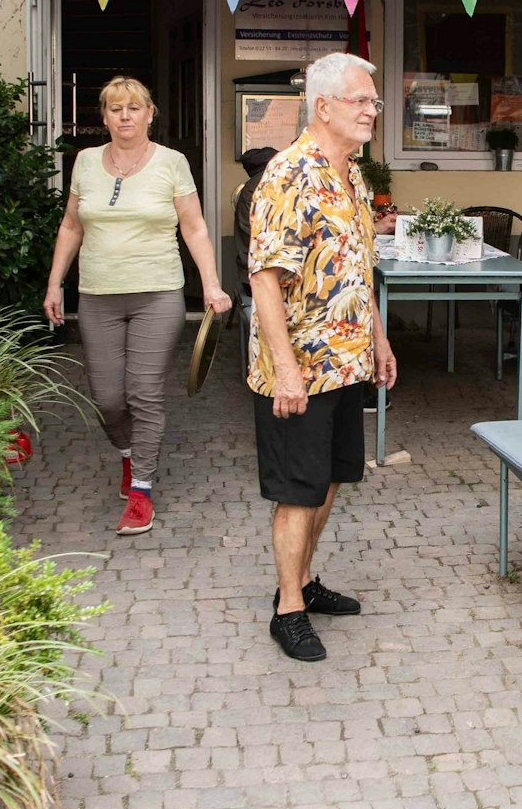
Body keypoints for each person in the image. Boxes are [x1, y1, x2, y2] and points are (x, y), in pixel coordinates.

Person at [248, 52, 398, 662]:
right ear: (324, 107)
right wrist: (286, 369)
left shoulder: (352, 174)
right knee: (298, 489)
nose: (371, 111)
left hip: (347, 361)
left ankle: (304, 583)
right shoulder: (290, 175)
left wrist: (379, 340)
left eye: (373, 101)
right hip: (301, 369)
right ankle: (287, 610)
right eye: (361, 100)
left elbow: (359, 271)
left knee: (332, 479)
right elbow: (264, 280)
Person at [43, 76, 231, 536]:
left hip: (157, 293)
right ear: (103, 117)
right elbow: (71, 226)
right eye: (115, 108)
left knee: (143, 392)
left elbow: (195, 228)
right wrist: (54, 285)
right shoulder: (85, 163)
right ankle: (129, 456)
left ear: (150, 114)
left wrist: (211, 284)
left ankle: (142, 491)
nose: (125, 116)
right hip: (97, 295)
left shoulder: (172, 163)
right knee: (107, 398)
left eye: (134, 108)